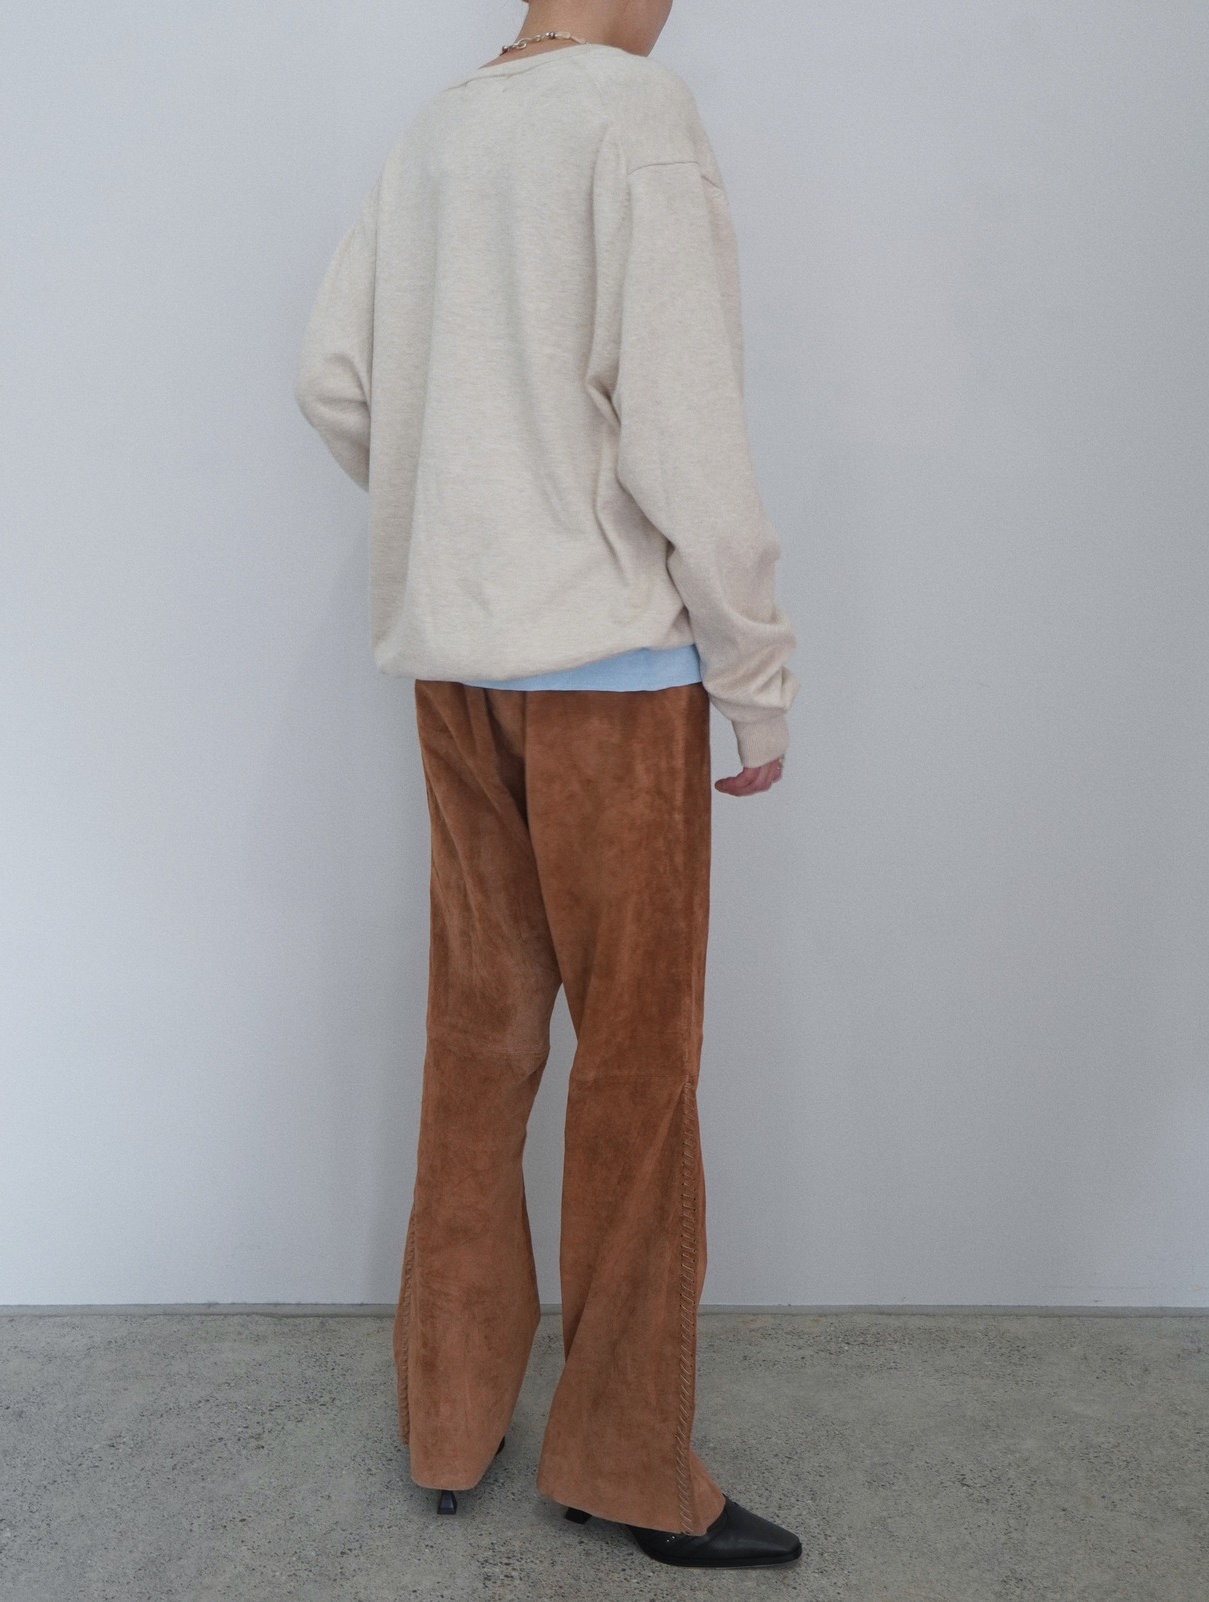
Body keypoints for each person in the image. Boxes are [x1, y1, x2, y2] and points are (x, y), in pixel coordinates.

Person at [294, 0, 803, 1570]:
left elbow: (333, 380)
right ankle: (629, 1464)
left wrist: (473, 519)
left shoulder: (439, 127)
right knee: (636, 1072)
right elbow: (686, 431)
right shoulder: (634, 115)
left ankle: (448, 1423)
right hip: (613, 685)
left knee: (479, 1042)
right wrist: (755, 669)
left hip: (460, 678)